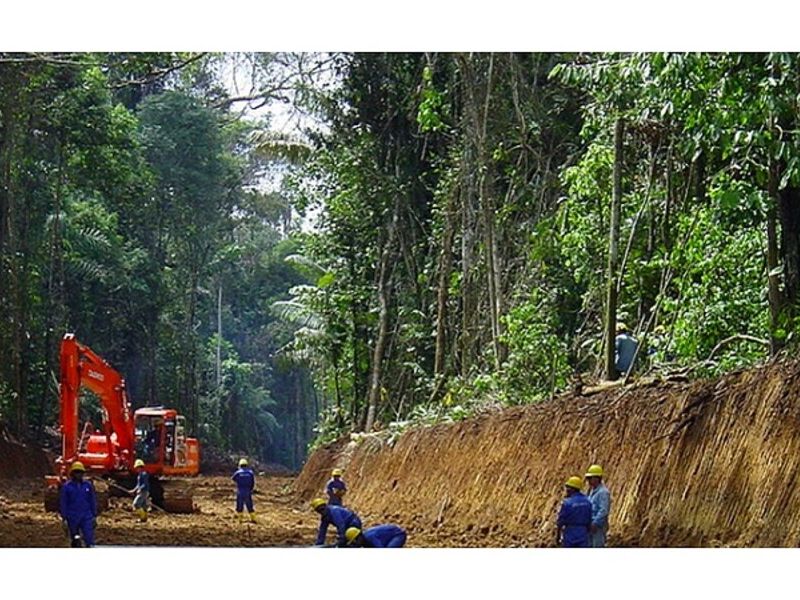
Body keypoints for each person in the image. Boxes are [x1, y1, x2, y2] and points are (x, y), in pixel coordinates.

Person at [58, 461, 97, 548]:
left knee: (88, 538)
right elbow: (63, 502)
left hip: (86, 515)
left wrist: (94, 515)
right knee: (75, 538)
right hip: (72, 516)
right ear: (72, 473)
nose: (78, 474)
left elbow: (92, 500)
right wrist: (64, 517)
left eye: (80, 472)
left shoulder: (88, 486)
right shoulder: (67, 487)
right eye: (76, 472)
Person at [556, 476, 592, 548]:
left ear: (572, 489)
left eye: (568, 488)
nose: (566, 490)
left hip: (570, 533)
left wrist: (558, 535)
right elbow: (590, 519)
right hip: (583, 533)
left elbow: (561, 521)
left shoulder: (567, 503)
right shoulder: (588, 501)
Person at [585, 464, 611, 548]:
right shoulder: (591, 491)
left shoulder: (603, 492)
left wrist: (595, 523)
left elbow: (604, 510)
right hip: (590, 525)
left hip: (598, 528)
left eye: (590, 478)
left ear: (597, 478)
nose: (588, 480)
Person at [232, 458, 257, 523]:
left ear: (240, 465)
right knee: (249, 505)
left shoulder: (238, 473)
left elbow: (233, 479)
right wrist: (250, 489)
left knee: (239, 505)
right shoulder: (250, 473)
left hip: (240, 491)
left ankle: (240, 520)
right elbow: (253, 482)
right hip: (248, 491)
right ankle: (253, 519)